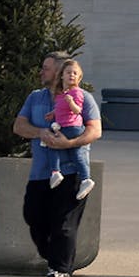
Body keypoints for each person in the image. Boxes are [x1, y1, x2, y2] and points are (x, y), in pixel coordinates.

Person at [12, 51, 101, 277]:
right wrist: (40, 132)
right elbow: (19, 126)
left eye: (47, 68)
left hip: (72, 174)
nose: (42, 72)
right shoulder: (35, 98)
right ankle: (54, 258)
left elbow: (95, 131)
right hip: (42, 173)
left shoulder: (83, 98)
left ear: (61, 73)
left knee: (64, 224)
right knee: (33, 217)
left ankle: (60, 272)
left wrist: (68, 143)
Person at [44, 58, 95, 200]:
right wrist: (53, 113)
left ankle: (55, 172)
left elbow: (77, 110)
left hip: (72, 127)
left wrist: (72, 102)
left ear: (79, 77)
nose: (71, 75)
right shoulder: (62, 95)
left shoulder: (76, 92)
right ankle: (85, 179)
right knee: (76, 154)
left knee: (51, 144)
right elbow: (61, 108)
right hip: (66, 126)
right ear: (62, 76)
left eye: (75, 73)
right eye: (68, 72)